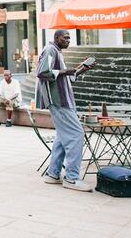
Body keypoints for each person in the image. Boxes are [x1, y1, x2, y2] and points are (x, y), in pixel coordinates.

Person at [36, 30, 94, 192]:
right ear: (56, 38)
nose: (68, 40)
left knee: (62, 137)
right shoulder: (50, 50)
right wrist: (64, 71)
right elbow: (42, 72)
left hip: (61, 100)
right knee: (76, 134)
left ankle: (53, 174)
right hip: (59, 101)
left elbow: (63, 77)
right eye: (65, 37)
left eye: (69, 38)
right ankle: (72, 178)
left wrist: (80, 70)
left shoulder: (56, 52)